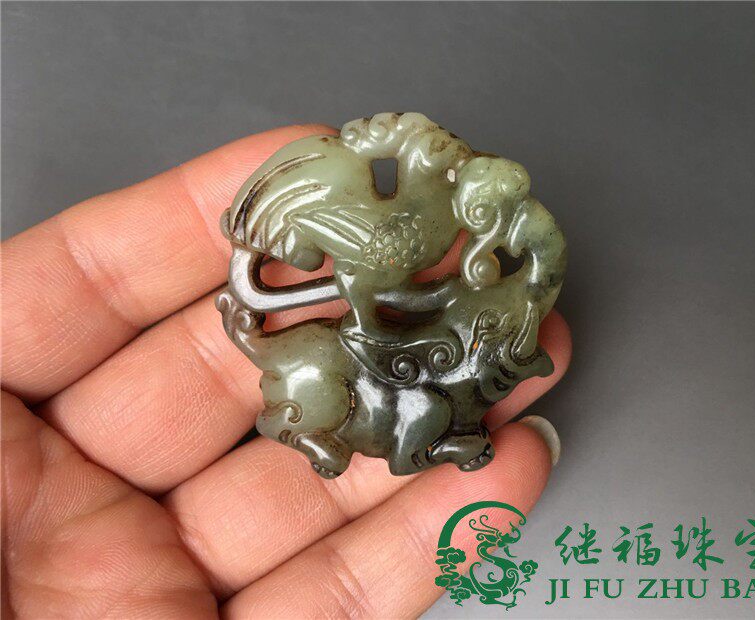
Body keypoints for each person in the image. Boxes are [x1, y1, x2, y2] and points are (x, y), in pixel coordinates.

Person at [1, 124, 571, 617]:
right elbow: (370, 281)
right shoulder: (411, 228)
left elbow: (406, 289)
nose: (451, 170)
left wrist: (428, 302)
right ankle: (334, 414)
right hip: (363, 307)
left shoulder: (432, 226)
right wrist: (377, 321)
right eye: (444, 164)